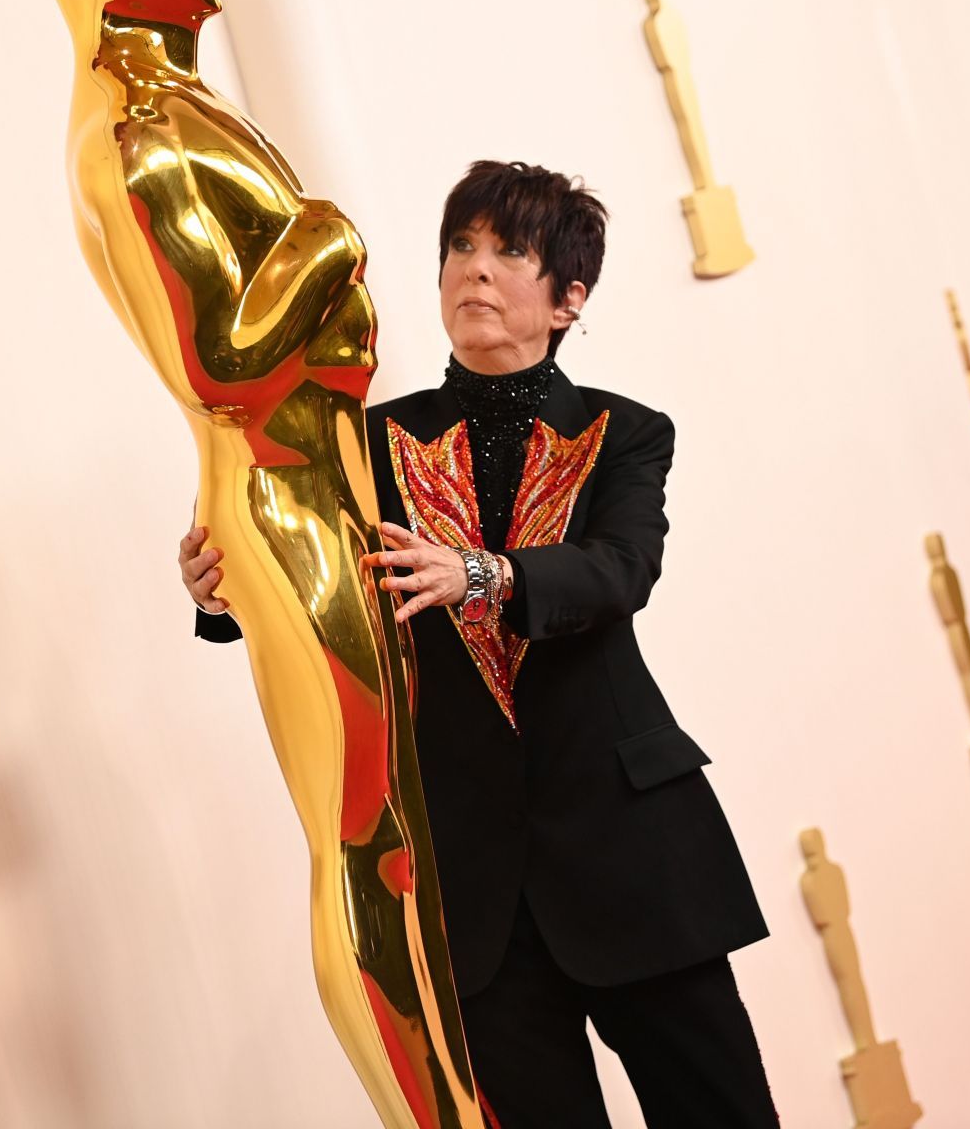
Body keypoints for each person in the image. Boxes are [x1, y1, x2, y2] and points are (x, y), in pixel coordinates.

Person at [181, 160, 778, 1127]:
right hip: (474, 901)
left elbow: (621, 569)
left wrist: (484, 574)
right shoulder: (366, 447)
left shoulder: (626, 434)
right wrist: (223, 591)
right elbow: (307, 595)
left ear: (569, 298)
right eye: (461, 245)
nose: (477, 270)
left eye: (509, 251)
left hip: (634, 857)